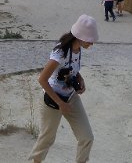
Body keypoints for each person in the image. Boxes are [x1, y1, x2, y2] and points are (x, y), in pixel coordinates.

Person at [29, 15, 98, 162]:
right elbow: (42, 79)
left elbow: (71, 69)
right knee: (47, 138)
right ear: (80, 36)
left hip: (71, 97)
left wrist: (80, 78)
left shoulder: (78, 49)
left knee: (87, 137)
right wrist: (61, 104)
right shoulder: (60, 53)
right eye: (89, 39)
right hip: (53, 101)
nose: (91, 43)